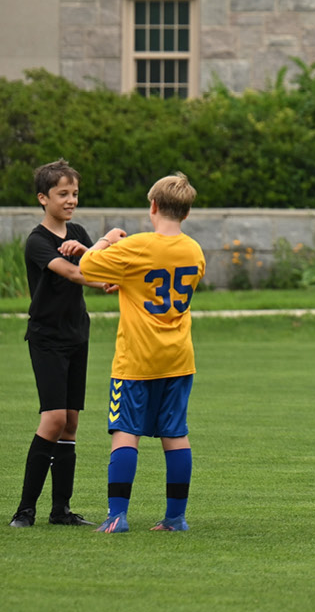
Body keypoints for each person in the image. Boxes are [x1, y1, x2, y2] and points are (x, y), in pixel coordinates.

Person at [72, 173, 205, 533]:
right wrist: (128, 282)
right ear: (187, 212)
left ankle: (117, 515)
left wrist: (105, 239)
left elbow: (86, 267)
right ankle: (175, 518)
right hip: (178, 358)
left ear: (153, 206)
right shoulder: (194, 250)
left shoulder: (138, 246)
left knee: (124, 432)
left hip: (137, 359)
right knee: (175, 434)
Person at [10, 160, 125, 528]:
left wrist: (111, 279)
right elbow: (76, 271)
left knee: (71, 423)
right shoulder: (38, 242)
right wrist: (101, 262)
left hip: (77, 334)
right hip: (47, 338)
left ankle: (60, 511)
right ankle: (24, 510)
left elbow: (100, 266)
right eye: (63, 194)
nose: (71, 200)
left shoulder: (76, 230)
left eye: (74, 193)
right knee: (54, 418)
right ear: (43, 198)